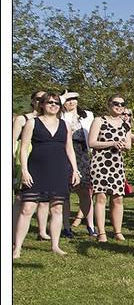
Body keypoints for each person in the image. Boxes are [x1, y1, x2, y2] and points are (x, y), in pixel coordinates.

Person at [13, 93, 81, 258]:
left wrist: (75, 170)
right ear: (42, 104)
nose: (53, 105)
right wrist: (24, 170)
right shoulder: (32, 123)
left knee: (57, 208)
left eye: (56, 102)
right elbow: (23, 148)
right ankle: (17, 248)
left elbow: (69, 149)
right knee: (27, 208)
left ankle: (55, 245)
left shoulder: (65, 125)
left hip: (59, 170)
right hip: (36, 169)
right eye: (49, 102)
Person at [87, 94, 133, 241]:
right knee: (101, 197)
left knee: (118, 198)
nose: (119, 106)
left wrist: (122, 145)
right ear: (109, 105)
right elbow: (92, 142)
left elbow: (128, 146)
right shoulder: (99, 121)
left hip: (116, 164)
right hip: (100, 163)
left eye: (122, 104)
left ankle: (118, 231)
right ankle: (101, 232)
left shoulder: (126, 124)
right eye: (115, 103)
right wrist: (112, 143)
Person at [13, 91, 51, 240]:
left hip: (43, 160)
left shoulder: (49, 119)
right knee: (20, 197)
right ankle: (13, 228)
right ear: (33, 100)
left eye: (44, 99)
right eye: (38, 99)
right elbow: (13, 140)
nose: (41, 101)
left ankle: (42, 231)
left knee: (44, 198)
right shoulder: (23, 119)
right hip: (24, 157)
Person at [61, 90, 95, 237]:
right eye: (68, 100)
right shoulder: (61, 115)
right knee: (65, 192)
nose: (71, 102)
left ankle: (91, 226)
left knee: (86, 191)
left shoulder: (87, 115)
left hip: (83, 153)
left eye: (74, 99)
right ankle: (66, 227)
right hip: (65, 153)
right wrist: (61, 99)